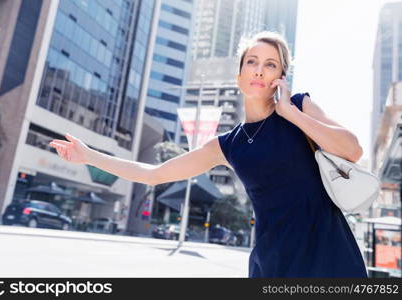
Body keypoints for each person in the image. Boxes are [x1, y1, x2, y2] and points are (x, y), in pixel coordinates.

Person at [49, 30, 368, 278]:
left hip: (331, 254)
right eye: (252, 62)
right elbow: (154, 174)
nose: (259, 70)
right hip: (274, 262)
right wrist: (90, 157)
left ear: (280, 78)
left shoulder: (300, 107)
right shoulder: (227, 145)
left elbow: (352, 150)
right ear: (239, 76)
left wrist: (291, 114)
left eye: (270, 64)